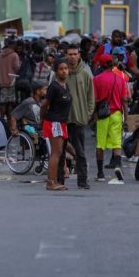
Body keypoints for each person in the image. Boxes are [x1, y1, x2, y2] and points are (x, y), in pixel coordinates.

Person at [61, 44, 95, 189]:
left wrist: (86, 115)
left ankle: (82, 179)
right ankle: (59, 178)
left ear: (79, 55)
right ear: (66, 56)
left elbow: (90, 97)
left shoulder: (85, 74)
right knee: (60, 150)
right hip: (62, 119)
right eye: (70, 54)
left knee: (80, 151)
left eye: (75, 54)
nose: (72, 57)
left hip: (79, 119)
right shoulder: (60, 73)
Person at [93, 54, 129, 182]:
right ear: (112, 65)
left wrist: (92, 116)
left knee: (100, 144)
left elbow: (95, 100)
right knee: (116, 143)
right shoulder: (120, 79)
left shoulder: (96, 79)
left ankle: (100, 173)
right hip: (117, 114)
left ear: (101, 65)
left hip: (102, 115)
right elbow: (125, 99)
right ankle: (118, 166)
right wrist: (127, 118)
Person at [39, 59, 72, 191]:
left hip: (61, 122)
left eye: (66, 68)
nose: (64, 71)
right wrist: (41, 120)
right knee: (56, 152)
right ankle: (50, 182)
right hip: (54, 121)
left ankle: (55, 180)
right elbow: (44, 105)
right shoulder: (54, 87)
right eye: (61, 69)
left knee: (59, 152)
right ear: (56, 71)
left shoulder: (65, 85)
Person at [0, 38, 21, 121]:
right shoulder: (14, 55)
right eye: (15, 45)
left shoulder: (0, 55)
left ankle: (1, 120)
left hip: (2, 81)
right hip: (12, 81)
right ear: (12, 45)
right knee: (10, 102)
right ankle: (9, 121)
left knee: (3, 102)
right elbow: (16, 67)